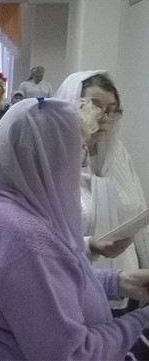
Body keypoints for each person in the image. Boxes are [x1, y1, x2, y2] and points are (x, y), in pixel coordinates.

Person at [0, 97, 149, 360]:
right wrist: (142, 322)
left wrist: (119, 283)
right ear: (52, 161)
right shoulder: (23, 238)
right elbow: (72, 354)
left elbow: (36, 288)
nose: (80, 166)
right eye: (78, 154)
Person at [56, 71, 149, 309]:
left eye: (111, 110)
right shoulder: (55, 159)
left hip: (126, 280)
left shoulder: (118, 156)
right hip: (72, 282)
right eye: (95, 106)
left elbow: (137, 212)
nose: (104, 117)